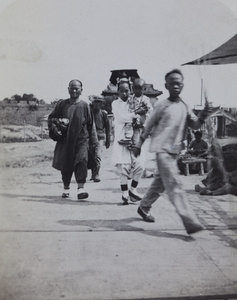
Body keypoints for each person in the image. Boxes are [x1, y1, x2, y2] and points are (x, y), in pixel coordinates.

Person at [132, 69, 213, 235]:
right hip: (162, 150)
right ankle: (190, 222)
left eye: (178, 83)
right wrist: (139, 143)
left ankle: (144, 206)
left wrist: (204, 114)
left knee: (159, 184)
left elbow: (195, 125)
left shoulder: (184, 106)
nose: (176, 86)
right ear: (166, 86)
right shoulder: (161, 105)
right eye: (172, 83)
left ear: (182, 85)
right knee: (175, 185)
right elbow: (148, 125)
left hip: (174, 152)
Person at [48, 79, 98, 200]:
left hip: (81, 140)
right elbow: (52, 118)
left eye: (77, 88)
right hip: (65, 140)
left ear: (81, 90)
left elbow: (91, 125)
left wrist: (94, 142)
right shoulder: (61, 104)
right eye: (72, 88)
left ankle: (81, 189)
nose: (74, 90)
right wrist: (56, 127)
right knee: (66, 165)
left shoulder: (85, 106)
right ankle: (66, 188)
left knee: (82, 161)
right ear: (68, 89)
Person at [111, 81, 144, 205]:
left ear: (130, 90)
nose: (125, 93)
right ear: (118, 92)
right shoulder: (115, 104)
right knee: (124, 167)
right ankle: (124, 193)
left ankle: (133, 190)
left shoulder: (134, 101)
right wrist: (136, 114)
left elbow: (143, 117)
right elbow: (122, 117)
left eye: (127, 90)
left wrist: (139, 117)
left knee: (140, 165)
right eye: (122, 91)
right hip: (122, 139)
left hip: (135, 138)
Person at [89, 96, 110, 182]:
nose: (97, 104)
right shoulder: (89, 113)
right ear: (93, 103)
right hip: (90, 137)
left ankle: (97, 174)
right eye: (95, 102)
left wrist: (108, 140)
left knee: (98, 155)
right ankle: (93, 174)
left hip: (100, 136)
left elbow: (108, 128)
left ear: (101, 104)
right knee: (91, 156)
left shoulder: (104, 114)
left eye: (99, 102)